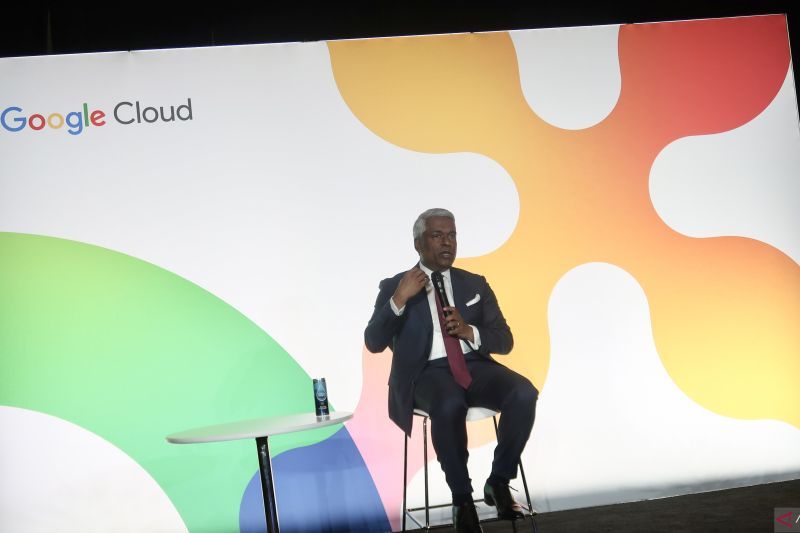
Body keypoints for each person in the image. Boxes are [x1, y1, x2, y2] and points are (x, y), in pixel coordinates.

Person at [364, 208, 538, 533]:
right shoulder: (394, 286)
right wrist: (399, 299)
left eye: (452, 235)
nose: (447, 243)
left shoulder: (474, 283)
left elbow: (504, 340)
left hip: (473, 366)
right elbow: (374, 342)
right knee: (449, 403)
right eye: (437, 235)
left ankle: (499, 481)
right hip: (425, 374)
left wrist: (470, 331)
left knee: (524, 392)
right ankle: (462, 500)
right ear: (418, 243)